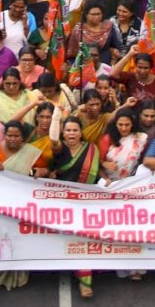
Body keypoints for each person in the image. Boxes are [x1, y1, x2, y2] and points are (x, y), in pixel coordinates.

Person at [49, 108, 100, 297]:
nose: (71, 133)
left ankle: (85, 279)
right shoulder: (60, 149)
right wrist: (56, 115)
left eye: (75, 130)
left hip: (86, 203)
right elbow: (53, 139)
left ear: (81, 132)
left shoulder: (91, 149)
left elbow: (97, 171)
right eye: (68, 130)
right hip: (62, 203)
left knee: (82, 240)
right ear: (63, 132)